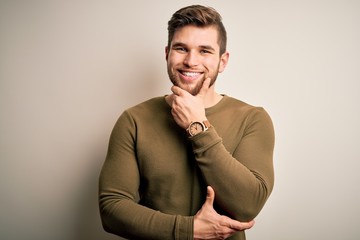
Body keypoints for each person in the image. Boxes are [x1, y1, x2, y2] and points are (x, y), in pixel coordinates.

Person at [98, 5, 274, 240]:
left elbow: (248, 205)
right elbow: (111, 209)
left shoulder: (253, 118)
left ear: (222, 61)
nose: (191, 61)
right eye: (181, 48)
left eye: (205, 51)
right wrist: (188, 230)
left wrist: (198, 126)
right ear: (167, 53)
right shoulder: (134, 120)